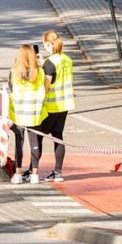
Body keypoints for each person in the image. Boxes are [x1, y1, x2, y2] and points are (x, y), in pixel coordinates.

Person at [8, 45, 47, 185]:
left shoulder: (14, 71)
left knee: (19, 143)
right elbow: (45, 88)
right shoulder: (39, 72)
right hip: (34, 111)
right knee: (34, 142)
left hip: (19, 112)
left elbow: (10, 88)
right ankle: (34, 174)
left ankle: (18, 174)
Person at [40, 30, 75, 182]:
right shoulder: (67, 59)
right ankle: (58, 172)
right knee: (58, 136)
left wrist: (43, 66)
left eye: (45, 46)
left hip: (52, 105)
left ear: (49, 44)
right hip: (65, 103)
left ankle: (31, 169)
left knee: (37, 136)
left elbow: (46, 86)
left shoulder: (50, 62)